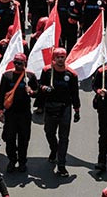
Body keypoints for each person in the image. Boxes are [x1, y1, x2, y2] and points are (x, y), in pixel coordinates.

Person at [38, 47, 80, 177]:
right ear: (54, 58)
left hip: (65, 109)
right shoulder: (47, 71)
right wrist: (44, 88)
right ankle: (53, 149)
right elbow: (40, 86)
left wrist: (77, 109)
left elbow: (75, 93)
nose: (61, 59)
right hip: (50, 107)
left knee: (64, 137)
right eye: (58, 57)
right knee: (49, 132)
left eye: (63, 57)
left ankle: (61, 164)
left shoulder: (71, 74)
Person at [0, 52, 38, 173]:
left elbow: (38, 92)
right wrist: (0, 111)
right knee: (9, 139)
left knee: (23, 139)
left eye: (20, 63)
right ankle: (12, 160)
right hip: (10, 113)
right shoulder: (7, 76)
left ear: (25, 63)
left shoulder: (30, 76)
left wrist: (31, 91)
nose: (17, 65)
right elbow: (1, 94)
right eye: (15, 63)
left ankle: (22, 162)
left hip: (24, 114)